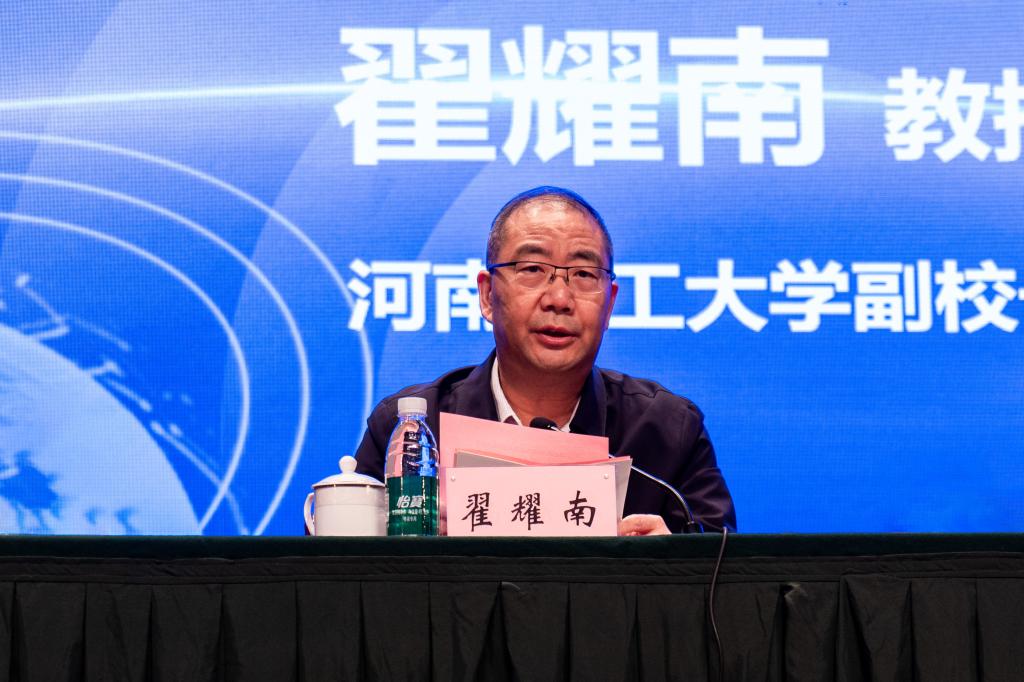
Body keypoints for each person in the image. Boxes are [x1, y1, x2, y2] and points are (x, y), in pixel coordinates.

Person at [355, 186, 736, 534]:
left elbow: (727, 571)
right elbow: (344, 569)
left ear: (609, 304)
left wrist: (671, 558)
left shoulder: (667, 430)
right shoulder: (410, 430)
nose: (559, 299)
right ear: (487, 296)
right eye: (533, 270)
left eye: (584, 274)